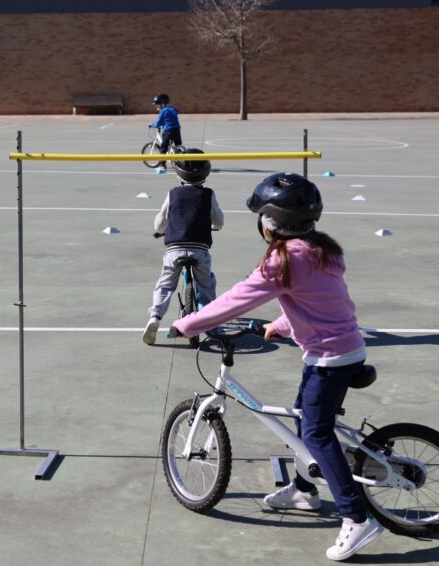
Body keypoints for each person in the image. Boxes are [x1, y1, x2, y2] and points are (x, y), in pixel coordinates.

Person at [170, 172, 383, 561]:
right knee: (304, 419)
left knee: (316, 434)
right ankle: (303, 490)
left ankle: (357, 518)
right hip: (344, 348)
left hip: (329, 359)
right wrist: (281, 325)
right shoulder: (321, 250)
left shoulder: (282, 260)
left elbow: (236, 300)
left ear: (270, 222)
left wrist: (188, 324)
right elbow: (321, 300)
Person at [142, 148, 224, 345]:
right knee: (206, 284)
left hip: (175, 249)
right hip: (200, 249)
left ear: (179, 173)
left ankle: (155, 317)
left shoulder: (173, 194)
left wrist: (160, 230)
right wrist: (215, 225)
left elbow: (160, 222)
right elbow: (218, 220)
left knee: (165, 284)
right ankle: (208, 318)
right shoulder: (208, 194)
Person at [150, 93, 182, 171]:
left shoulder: (163, 111)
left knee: (163, 148)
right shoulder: (173, 109)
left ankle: (162, 165)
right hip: (177, 130)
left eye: (158, 105)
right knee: (178, 146)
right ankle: (181, 163)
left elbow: (159, 122)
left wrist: (153, 125)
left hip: (168, 131)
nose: (157, 107)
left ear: (162, 104)